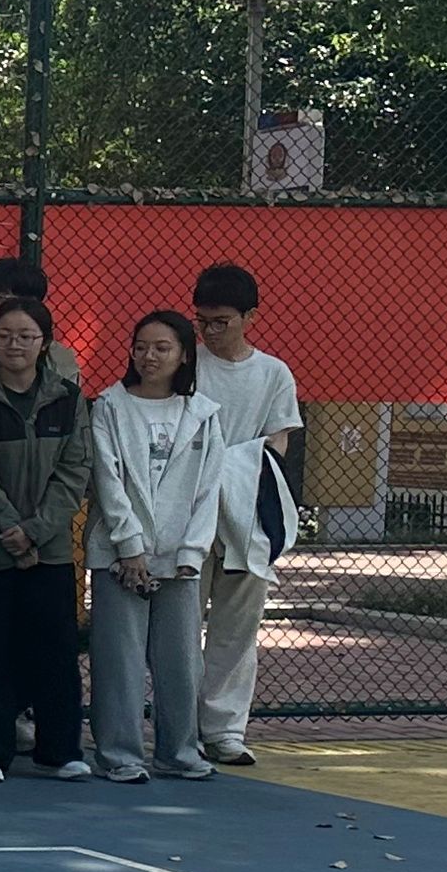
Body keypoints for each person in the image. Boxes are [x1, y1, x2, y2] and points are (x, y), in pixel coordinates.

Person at [0, 294, 93, 782]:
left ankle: (60, 749)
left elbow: (75, 470)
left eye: (26, 336)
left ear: (44, 342)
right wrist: (9, 526)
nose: (15, 345)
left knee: (55, 649)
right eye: (5, 336)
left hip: (49, 549)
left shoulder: (68, 398)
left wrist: (36, 530)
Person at [87, 308, 223, 783]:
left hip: (179, 558)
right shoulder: (109, 406)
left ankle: (179, 751)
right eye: (141, 347)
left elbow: (208, 490)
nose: (149, 356)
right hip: (119, 558)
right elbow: (107, 480)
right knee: (119, 660)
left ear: (184, 355)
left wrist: (191, 552)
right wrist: (129, 547)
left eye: (162, 348)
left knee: (181, 661)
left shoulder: (202, 414)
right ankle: (120, 754)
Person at [189, 263, 301, 767]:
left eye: (222, 322)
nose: (211, 332)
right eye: (203, 321)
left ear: (249, 317)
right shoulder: (186, 363)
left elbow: (277, 442)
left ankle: (225, 731)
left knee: (237, 629)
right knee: (181, 626)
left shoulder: (273, 373)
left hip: (245, 513)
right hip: (189, 511)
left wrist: (233, 470)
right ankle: (182, 728)